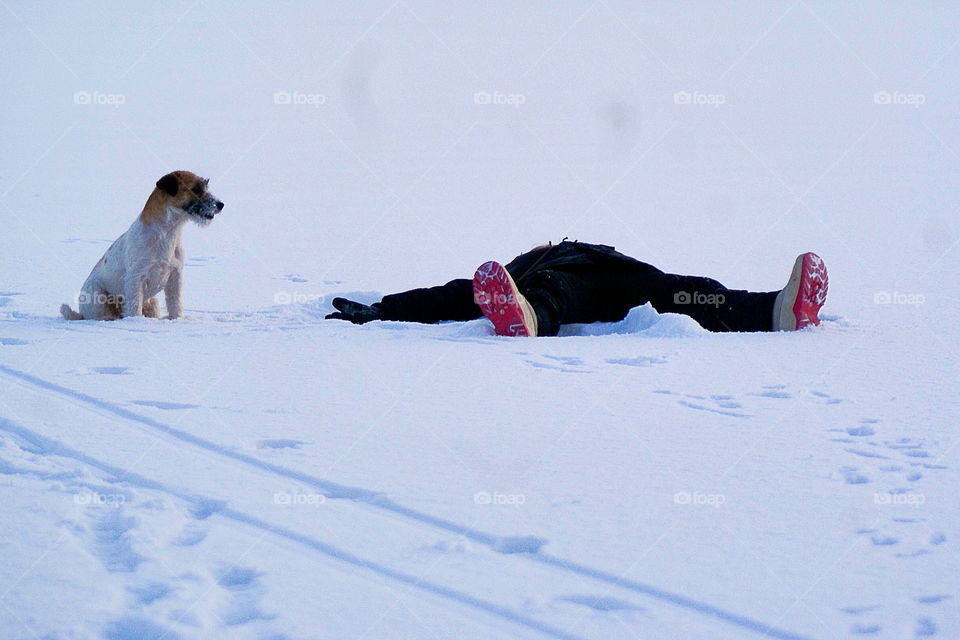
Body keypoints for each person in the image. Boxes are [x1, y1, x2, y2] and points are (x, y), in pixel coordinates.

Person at [325, 240, 828, 337]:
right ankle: (524, 320)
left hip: (624, 282)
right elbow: (449, 295)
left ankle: (776, 312)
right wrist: (381, 309)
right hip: (562, 289)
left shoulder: (589, 255)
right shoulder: (528, 267)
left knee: (686, 290)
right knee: (550, 294)